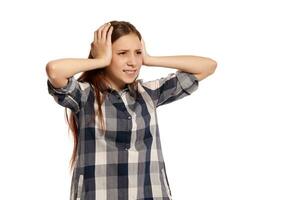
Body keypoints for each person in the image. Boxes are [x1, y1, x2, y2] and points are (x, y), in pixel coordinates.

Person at [46, 20, 217, 200]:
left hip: (150, 194)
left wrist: (150, 59)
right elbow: (54, 70)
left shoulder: (149, 93)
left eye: (137, 53)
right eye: (122, 53)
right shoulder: (85, 95)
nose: (133, 62)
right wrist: (100, 60)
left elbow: (208, 66)